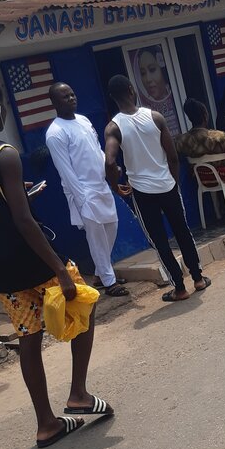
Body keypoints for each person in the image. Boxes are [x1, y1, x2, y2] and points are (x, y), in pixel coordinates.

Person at [0, 73, 113, 449]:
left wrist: (7, 199)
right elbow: (23, 221)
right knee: (84, 302)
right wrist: (58, 268)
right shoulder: (3, 154)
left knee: (28, 339)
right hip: (33, 260)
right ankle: (79, 394)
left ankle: (46, 424)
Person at [104, 75, 211, 303]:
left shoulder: (113, 127)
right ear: (132, 90)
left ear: (113, 98)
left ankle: (179, 288)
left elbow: (110, 162)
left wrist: (115, 186)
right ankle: (198, 278)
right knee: (183, 231)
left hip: (142, 193)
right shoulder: (156, 117)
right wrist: (173, 182)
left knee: (159, 241)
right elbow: (172, 156)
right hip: (167, 186)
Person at [45, 83, 128, 298]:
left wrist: (110, 170)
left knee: (112, 226)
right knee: (96, 237)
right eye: (65, 97)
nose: (71, 98)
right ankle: (109, 282)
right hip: (83, 191)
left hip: (101, 184)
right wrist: (81, 199)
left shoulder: (84, 120)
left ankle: (101, 274)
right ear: (54, 103)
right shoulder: (55, 133)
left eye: (72, 94)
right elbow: (65, 170)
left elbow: (96, 149)